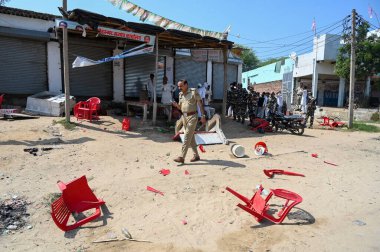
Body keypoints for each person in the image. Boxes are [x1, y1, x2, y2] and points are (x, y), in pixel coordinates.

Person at [172, 80, 206, 164]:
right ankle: (196, 155)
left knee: (187, 136)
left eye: (181, 86)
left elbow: (200, 104)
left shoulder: (193, 92)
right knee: (191, 138)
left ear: (186, 85)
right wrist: (176, 106)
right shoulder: (180, 94)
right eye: (178, 86)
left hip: (193, 117)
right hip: (184, 117)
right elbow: (180, 108)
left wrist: (203, 116)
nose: (179, 88)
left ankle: (182, 157)